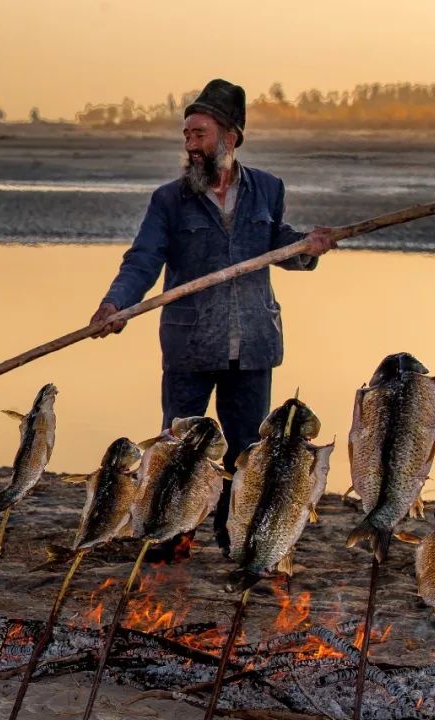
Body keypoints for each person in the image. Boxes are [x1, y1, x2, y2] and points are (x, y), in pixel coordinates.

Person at [89, 78, 337, 554]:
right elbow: (143, 259)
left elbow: (279, 245)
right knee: (177, 447)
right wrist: (114, 304)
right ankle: (169, 534)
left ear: (231, 137)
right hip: (191, 342)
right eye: (187, 135)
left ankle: (236, 537)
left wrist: (308, 248)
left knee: (248, 449)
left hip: (253, 341)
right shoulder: (169, 199)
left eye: (199, 134)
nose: (191, 144)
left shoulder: (267, 188)